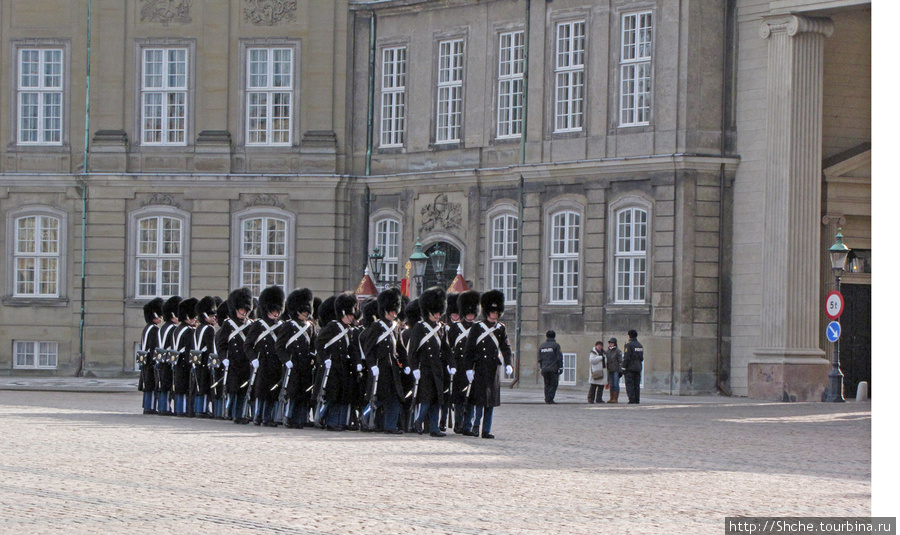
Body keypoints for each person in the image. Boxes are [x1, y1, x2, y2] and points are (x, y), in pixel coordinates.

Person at [462, 289, 512, 439]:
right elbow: (469, 349)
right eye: (492, 312)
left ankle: (486, 429)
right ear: (487, 312)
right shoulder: (477, 327)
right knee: (479, 401)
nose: (494, 314)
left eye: (497, 312)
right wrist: (468, 369)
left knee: (491, 402)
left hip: (492, 369)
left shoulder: (500, 328)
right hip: (479, 368)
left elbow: (506, 347)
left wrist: (509, 363)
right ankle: (476, 426)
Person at [406, 287, 455, 437]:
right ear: (428, 312)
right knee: (426, 400)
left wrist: (452, 364)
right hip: (425, 369)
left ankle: (434, 428)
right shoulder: (419, 328)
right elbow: (412, 350)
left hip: (437, 369)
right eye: (435, 313)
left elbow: (446, 349)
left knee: (437, 401)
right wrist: (414, 367)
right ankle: (418, 420)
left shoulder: (441, 328)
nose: (438, 315)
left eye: (440, 313)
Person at [361, 288, 405, 434]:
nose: (394, 313)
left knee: (394, 399)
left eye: (395, 310)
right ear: (385, 309)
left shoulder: (395, 327)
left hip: (392, 369)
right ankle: (364, 419)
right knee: (377, 399)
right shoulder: (376, 326)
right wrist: (372, 365)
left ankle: (390, 426)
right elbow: (369, 349)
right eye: (392, 311)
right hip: (380, 368)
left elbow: (400, 348)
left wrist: (406, 365)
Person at [315, 292, 358, 431]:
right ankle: (330, 421)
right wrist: (324, 359)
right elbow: (319, 343)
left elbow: (352, 348)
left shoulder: (348, 330)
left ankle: (340, 421)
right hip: (332, 367)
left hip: (343, 367)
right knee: (332, 396)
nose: (352, 317)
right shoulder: (332, 327)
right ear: (343, 313)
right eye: (350, 314)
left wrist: (357, 362)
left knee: (342, 395)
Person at [244, 285, 285, 426]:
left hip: (275, 363)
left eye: (278, 311)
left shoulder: (281, 326)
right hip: (261, 363)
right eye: (274, 311)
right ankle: (257, 415)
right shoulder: (258, 325)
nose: (276, 314)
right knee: (259, 392)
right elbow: (248, 344)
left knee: (273, 392)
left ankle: (269, 418)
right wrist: (253, 359)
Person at [276, 288, 317, 428]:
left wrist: (312, 357)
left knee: (303, 393)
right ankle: (288, 416)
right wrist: (286, 360)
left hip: (305, 365)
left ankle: (300, 419)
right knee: (291, 393)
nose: (306, 314)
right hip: (292, 365)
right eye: (304, 311)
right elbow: (279, 346)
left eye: (307, 311)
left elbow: (313, 345)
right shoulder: (288, 326)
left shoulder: (309, 327)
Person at [221, 288, 254, 423]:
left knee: (244, 390)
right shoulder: (228, 324)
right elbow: (222, 344)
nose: (244, 313)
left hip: (246, 361)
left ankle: (240, 414)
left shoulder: (250, 324)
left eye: (246, 310)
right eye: (242, 310)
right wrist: (224, 358)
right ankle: (232, 412)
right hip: (233, 361)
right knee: (233, 389)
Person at [448, 290, 479, 434]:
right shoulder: (455, 328)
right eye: (469, 314)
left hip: (473, 366)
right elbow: (449, 347)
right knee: (460, 397)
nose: (471, 316)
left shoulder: (478, 328)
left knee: (472, 398)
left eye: (473, 314)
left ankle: (468, 425)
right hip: (460, 367)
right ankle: (458, 422)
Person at [192, 296, 219, 417]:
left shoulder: (198, 328)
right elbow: (211, 347)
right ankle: (202, 410)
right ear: (205, 315)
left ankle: (199, 408)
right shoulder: (209, 329)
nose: (214, 318)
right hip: (206, 361)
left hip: (198, 359)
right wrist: (214, 362)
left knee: (200, 386)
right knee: (205, 386)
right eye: (212, 316)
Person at [138, 297, 164, 414]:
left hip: (146, 360)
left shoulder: (148, 328)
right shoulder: (154, 329)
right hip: (151, 360)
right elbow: (154, 347)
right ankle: (150, 407)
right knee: (152, 384)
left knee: (148, 384)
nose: (161, 318)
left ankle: (148, 406)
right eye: (159, 315)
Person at [538, 330, 563, 404]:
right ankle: (550, 398)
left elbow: (539, 358)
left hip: (544, 368)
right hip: (553, 368)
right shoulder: (556, 345)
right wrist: (560, 367)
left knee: (547, 384)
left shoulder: (542, 346)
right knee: (554, 384)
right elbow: (559, 357)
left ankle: (547, 398)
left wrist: (542, 367)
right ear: (554, 336)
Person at [623, 329, 644, 404]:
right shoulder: (640, 345)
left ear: (629, 336)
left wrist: (623, 367)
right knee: (636, 384)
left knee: (630, 384)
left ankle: (632, 399)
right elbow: (641, 358)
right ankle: (637, 399)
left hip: (630, 368)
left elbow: (627, 357)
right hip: (638, 367)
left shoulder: (629, 345)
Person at [605, 338, 624, 404]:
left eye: (612, 343)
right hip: (610, 370)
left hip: (616, 370)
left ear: (615, 343)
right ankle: (611, 397)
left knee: (616, 384)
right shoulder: (607, 351)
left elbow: (620, 361)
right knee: (611, 384)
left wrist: (620, 370)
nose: (610, 344)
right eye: (610, 343)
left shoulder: (618, 351)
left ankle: (615, 398)